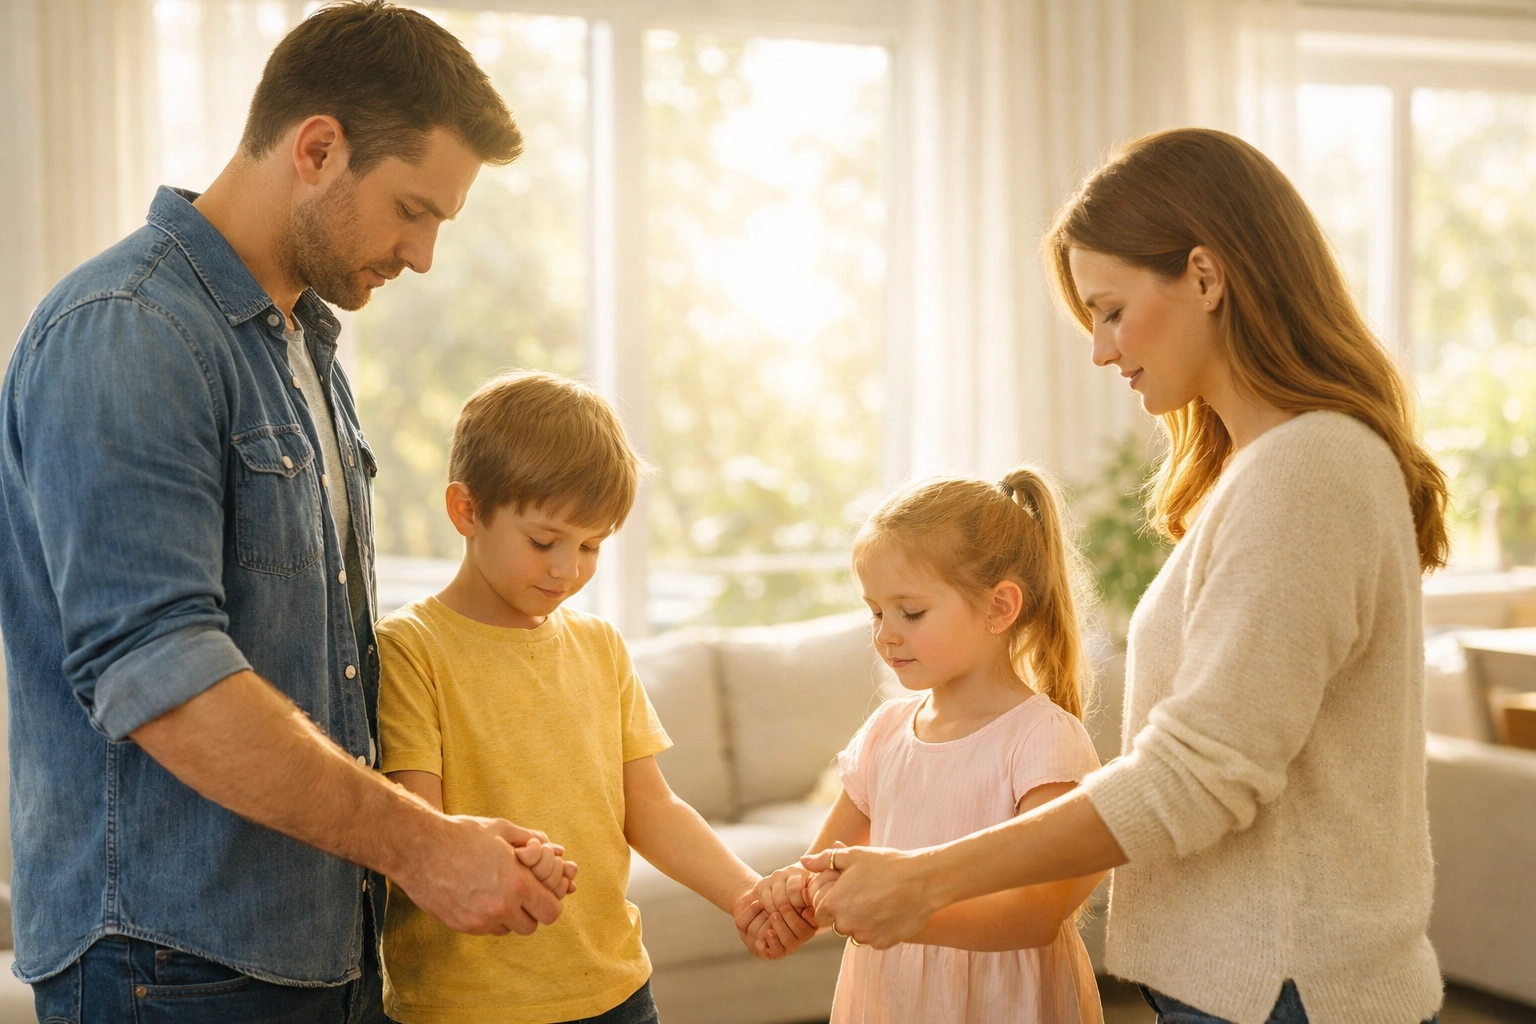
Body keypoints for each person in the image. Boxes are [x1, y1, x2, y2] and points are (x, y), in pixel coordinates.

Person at [793, 128, 1450, 1024]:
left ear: (1206, 277)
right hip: (1244, 984)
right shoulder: (1262, 471)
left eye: (1110, 310)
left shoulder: (1312, 470)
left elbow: (1197, 776)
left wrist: (927, 879)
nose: (1102, 350)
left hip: (1286, 990)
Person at [0, 5, 575, 1022]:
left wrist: (433, 833)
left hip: (313, 949)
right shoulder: (129, 332)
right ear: (317, 147)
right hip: (170, 970)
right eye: (413, 208)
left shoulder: (304, 347)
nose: (425, 254)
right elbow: (164, 679)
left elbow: (309, 670)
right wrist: (420, 845)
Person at [375, 371, 816, 1024]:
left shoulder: (601, 646)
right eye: (544, 541)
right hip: (465, 1006)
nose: (567, 569)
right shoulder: (412, 650)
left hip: (615, 992)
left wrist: (747, 895)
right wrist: (516, 862)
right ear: (467, 511)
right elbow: (419, 831)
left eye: (591, 546)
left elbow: (654, 810)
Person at [750, 467, 1107, 1023]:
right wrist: (794, 899)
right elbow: (825, 871)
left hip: (1001, 1003)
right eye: (875, 611)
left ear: (999, 608)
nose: (886, 633)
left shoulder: (1042, 739)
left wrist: (906, 909)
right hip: (892, 998)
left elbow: (1038, 913)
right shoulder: (884, 733)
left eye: (911, 612)